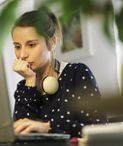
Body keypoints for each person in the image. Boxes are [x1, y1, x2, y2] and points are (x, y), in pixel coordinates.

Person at [11, 8, 107, 138]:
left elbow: (98, 129)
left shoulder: (77, 73)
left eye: (31, 45)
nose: (22, 55)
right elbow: (23, 137)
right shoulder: (24, 87)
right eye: (17, 46)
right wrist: (29, 81)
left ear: (52, 42)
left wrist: (48, 127)